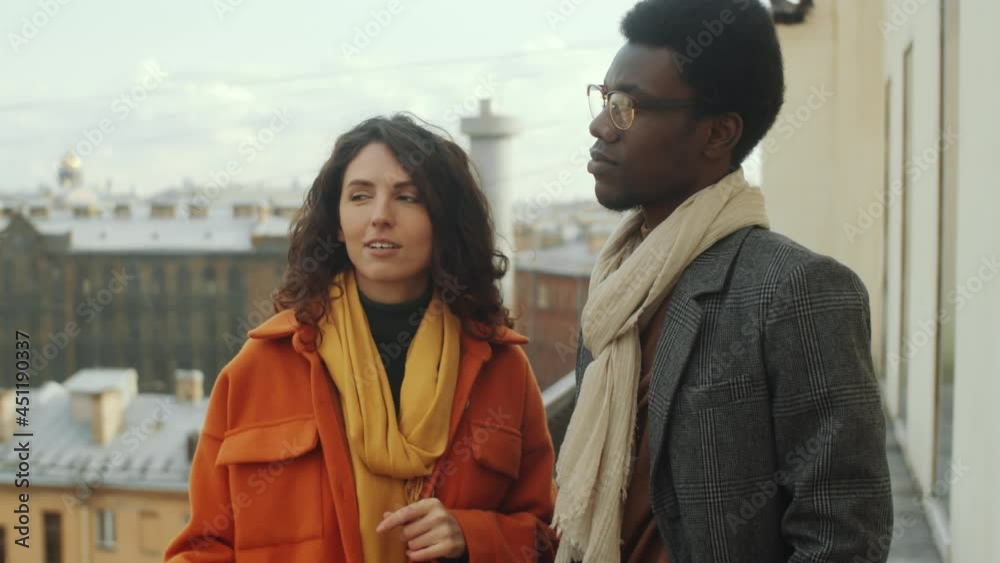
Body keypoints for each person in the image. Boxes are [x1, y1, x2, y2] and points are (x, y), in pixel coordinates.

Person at [553, 1, 893, 562]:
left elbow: (843, 536)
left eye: (626, 107)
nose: (599, 126)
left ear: (718, 133)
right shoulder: (614, 290)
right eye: (603, 98)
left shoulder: (797, 291)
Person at [165, 114, 558, 562]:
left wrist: (473, 536)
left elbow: (549, 541)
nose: (380, 217)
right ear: (336, 221)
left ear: (443, 218)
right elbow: (202, 548)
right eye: (359, 197)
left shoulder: (501, 370)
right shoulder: (261, 366)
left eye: (407, 197)